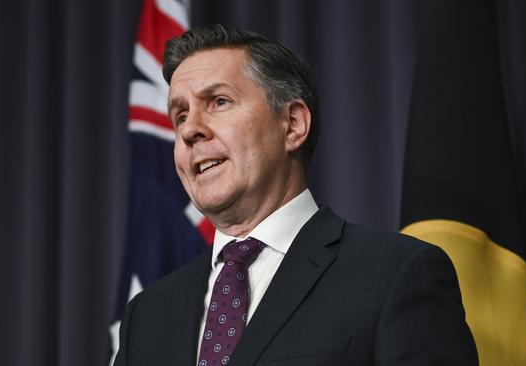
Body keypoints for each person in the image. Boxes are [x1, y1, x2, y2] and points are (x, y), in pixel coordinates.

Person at [114, 24, 478, 366]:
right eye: (179, 116)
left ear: (293, 125)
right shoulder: (146, 315)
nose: (190, 129)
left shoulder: (397, 274)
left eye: (219, 101)